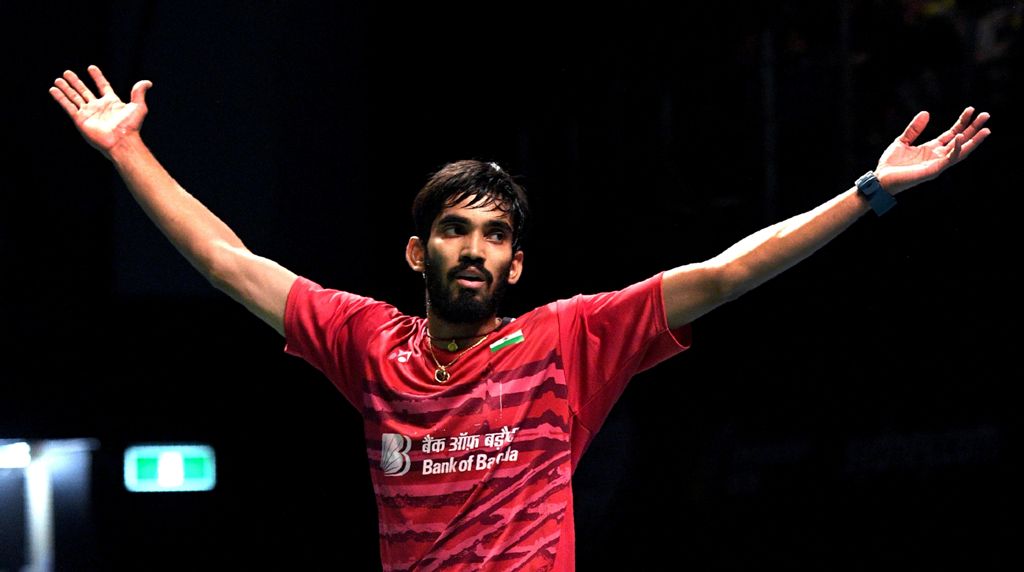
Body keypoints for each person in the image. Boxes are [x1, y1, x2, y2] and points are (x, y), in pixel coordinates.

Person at [50, 65, 990, 571]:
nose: (474, 250)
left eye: (494, 236)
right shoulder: (365, 340)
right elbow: (227, 262)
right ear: (420, 253)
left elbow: (729, 268)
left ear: (516, 262)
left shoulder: (569, 339)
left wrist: (869, 192)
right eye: (454, 232)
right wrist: (128, 150)